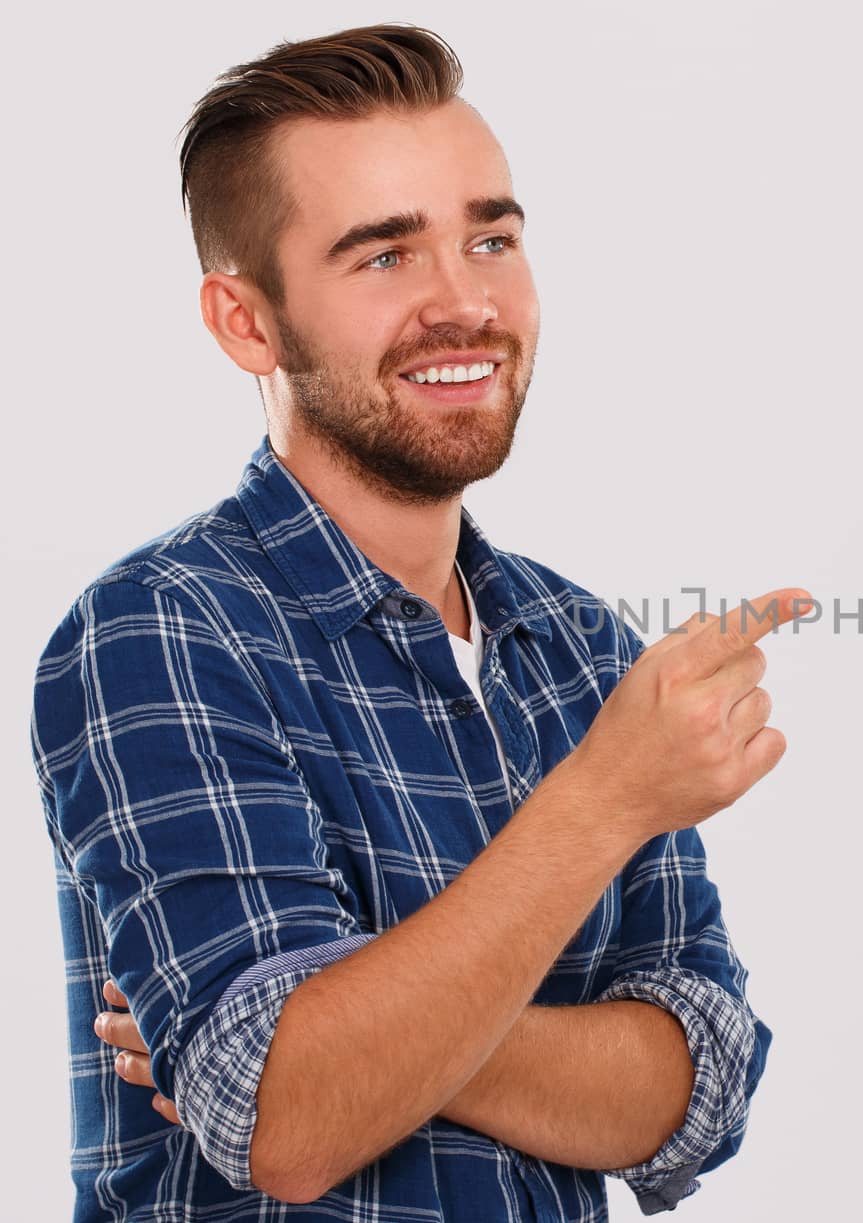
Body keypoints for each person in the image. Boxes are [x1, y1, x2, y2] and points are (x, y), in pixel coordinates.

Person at [29, 23, 805, 1221]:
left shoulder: (582, 647)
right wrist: (604, 800)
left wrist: (379, 1041)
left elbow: (702, 1092)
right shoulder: (164, 631)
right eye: (383, 256)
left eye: (489, 237)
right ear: (248, 323)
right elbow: (288, 1125)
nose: (465, 301)